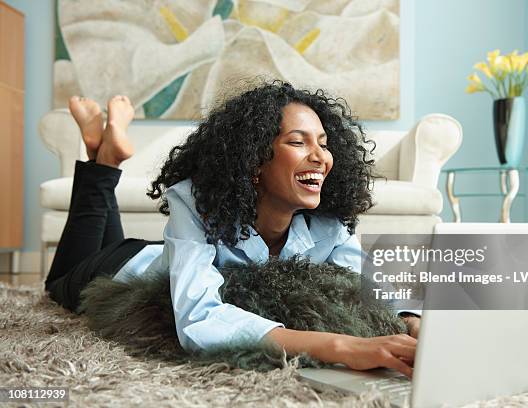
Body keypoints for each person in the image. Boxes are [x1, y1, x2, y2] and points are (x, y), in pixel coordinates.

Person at [44, 81, 421, 377]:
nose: (320, 157)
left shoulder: (327, 216)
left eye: (323, 144)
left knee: (102, 222)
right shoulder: (195, 200)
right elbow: (199, 319)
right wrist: (341, 347)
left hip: (159, 252)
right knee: (58, 281)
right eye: (297, 141)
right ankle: (104, 159)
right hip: (123, 266)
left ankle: (102, 154)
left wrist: (413, 322)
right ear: (255, 159)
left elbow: (370, 281)